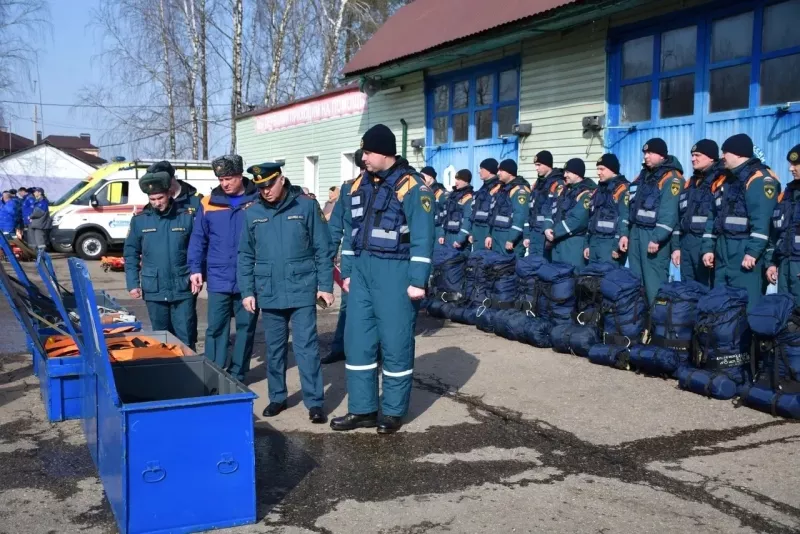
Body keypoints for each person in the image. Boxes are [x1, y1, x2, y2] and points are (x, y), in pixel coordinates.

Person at [330, 124, 434, 434]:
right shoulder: (357, 186)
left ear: (385, 152)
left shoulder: (413, 187)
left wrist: (418, 280)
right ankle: (362, 409)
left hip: (395, 271)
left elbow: (423, 236)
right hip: (362, 273)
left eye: (367, 152)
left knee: (395, 342)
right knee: (358, 342)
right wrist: (347, 272)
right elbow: (351, 232)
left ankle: (392, 411)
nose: (363, 158)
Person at [237, 162, 333, 423]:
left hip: (302, 288)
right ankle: (277, 397)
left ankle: (314, 402)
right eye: (261, 187)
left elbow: (322, 248)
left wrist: (325, 286)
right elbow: (245, 255)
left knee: (307, 348)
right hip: (269, 291)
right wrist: (247, 291)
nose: (266, 191)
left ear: (281, 179)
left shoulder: (306, 206)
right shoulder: (252, 212)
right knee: (275, 349)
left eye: (269, 185)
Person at [187, 155, 260, 382]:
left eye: (229, 178)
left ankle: (238, 374)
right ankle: (214, 373)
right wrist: (195, 268)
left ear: (240, 176)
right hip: (218, 276)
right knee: (216, 328)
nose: (224, 183)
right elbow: (198, 238)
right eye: (221, 179)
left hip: (249, 277)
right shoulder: (208, 203)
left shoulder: (258, 199)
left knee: (246, 328)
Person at [123, 171, 200, 349]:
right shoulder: (140, 221)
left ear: (169, 194)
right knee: (161, 339)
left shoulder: (186, 217)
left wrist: (197, 272)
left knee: (186, 336)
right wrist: (133, 283)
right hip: (154, 289)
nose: (157, 203)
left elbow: (197, 249)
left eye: (160, 198)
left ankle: (190, 366)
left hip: (182, 288)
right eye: (152, 199)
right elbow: (131, 253)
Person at [703, 134, 779, 309]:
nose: (722, 157)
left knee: (747, 304)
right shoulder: (725, 180)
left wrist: (753, 252)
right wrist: (707, 248)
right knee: (722, 304)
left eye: (725, 152)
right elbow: (713, 216)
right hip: (722, 251)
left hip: (744, 251)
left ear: (738, 153)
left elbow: (763, 220)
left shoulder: (759, 179)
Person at [619, 138, 684, 304]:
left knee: (654, 282)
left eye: (650, 153)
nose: (646, 156)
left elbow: (669, 212)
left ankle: (656, 317)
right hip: (635, 233)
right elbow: (628, 206)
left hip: (653, 236)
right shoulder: (641, 176)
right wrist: (624, 233)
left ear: (662, 155)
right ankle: (639, 316)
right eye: (645, 153)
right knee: (636, 281)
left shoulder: (672, 178)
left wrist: (657, 237)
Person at [322, 149, 364, 365]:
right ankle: (341, 348)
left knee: (375, 307)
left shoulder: (388, 187)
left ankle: (373, 350)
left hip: (377, 259)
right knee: (347, 306)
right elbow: (336, 226)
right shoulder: (348, 189)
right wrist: (327, 257)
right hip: (351, 261)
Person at [671, 140, 722, 287]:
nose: (693, 159)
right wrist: (676, 247)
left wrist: (709, 248)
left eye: (697, 155)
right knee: (688, 288)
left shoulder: (719, 181)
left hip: (706, 243)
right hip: (686, 243)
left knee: (706, 288)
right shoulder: (690, 182)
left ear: (711, 157)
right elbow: (679, 216)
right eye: (692, 155)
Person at [545, 158, 595, 268]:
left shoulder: (586, 193)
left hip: (573, 245)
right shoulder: (562, 190)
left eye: (568, 172)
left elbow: (577, 220)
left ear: (577, 174)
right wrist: (547, 227)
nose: (565, 175)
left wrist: (554, 232)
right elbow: (551, 210)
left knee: (572, 275)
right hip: (557, 243)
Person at [767, 144, 800, 304]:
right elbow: (776, 232)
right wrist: (772, 262)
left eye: (796, 164)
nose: (790, 169)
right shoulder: (787, 193)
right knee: (785, 310)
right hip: (785, 265)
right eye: (790, 164)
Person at [585, 154, 628, 266]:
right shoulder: (598, 190)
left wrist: (616, 246)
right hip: (594, 243)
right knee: (591, 276)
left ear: (612, 169)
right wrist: (587, 244)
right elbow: (591, 218)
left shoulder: (622, 189)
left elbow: (625, 218)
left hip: (610, 245)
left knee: (609, 276)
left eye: (602, 169)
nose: (598, 172)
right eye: (597, 169)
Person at [525, 151, 564, 259]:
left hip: (546, 233)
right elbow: (530, 210)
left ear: (547, 165)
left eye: (539, 165)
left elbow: (556, 211)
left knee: (544, 264)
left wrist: (550, 232)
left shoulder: (558, 184)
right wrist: (527, 234)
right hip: (534, 232)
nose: (536, 168)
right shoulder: (537, 184)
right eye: (535, 165)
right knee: (532, 263)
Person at [486, 159, 529, 258]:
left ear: (509, 172)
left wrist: (511, 238)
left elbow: (520, 216)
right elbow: (494, 214)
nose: (498, 173)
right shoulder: (501, 189)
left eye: (501, 170)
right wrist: (489, 235)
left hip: (509, 238)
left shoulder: (519, 190)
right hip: (497, 237)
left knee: (510, 265)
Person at [437, 169, 473, 249]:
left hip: (459, 239)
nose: (456, 182)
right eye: (456, 179)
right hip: (448, 237)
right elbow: (446, 217)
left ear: (466, 181)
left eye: (459, 179)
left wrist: (460, 239)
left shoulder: (468, 197)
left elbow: (467, 220)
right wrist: (442, 234)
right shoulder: (452, 196)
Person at [469, 158, 500, 251]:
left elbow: (495, 212)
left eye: (482, 169)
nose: (479, 171)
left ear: (489, 171)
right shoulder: (483, 188)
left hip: (487, 230)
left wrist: (489, 234)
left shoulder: (498, 187)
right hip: (477, 230)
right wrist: (472, 232)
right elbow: (475, 211)